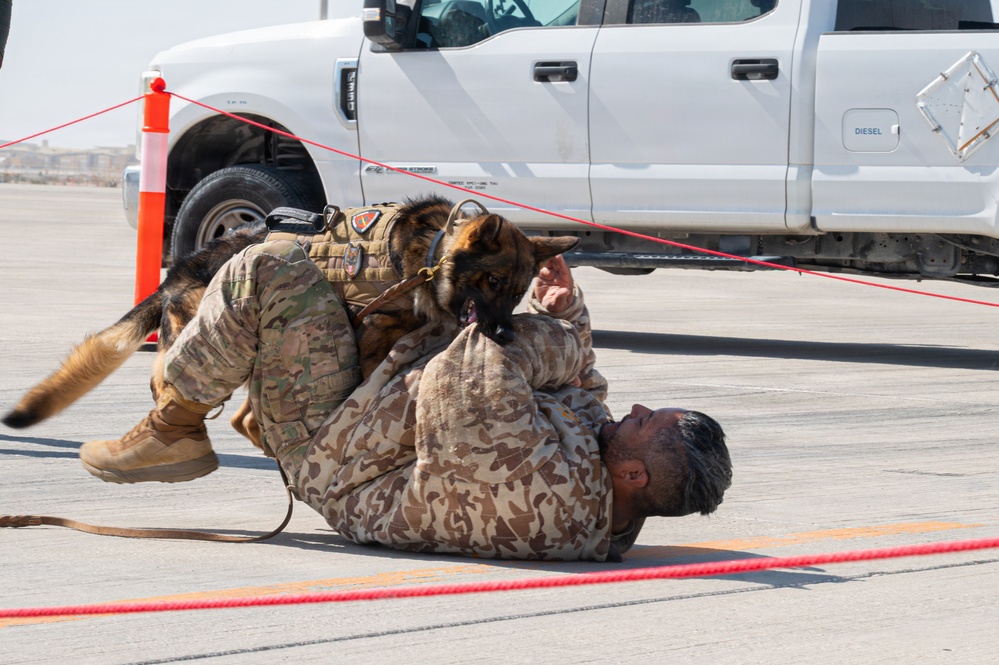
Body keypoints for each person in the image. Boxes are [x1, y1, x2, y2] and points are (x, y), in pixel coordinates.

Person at [80, 237, 732, 562]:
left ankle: (174, 424)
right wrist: (564, 312)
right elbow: (579, 385)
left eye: (646, 421)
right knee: (353, 252)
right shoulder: (611, 478)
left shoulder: (544, 497)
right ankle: (237, 404)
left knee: (264, 270)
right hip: (379, 407)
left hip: (336, 449)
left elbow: (464, 377)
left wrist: (552, 335)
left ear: (633, 472)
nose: (636, 408)